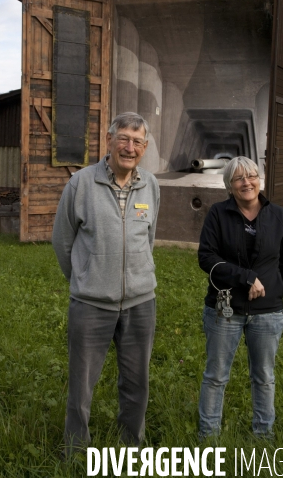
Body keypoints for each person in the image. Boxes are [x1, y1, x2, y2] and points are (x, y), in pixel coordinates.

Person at [52, 112, 160, 455]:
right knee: (81, 384)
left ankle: (131, 443)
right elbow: (62, 241)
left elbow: (149, 238)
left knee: (136, 381)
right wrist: (85, 278)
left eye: (137, 141)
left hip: (141, 302)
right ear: (109, 141)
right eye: (124, 139)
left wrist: (137, 278)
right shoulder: (81, 184)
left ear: (144, 148)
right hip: (91, 303)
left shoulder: (151, 185)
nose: (130, 147)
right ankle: (76, 449)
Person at [198, 156, 283, 438]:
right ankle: (208, 436)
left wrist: (275, 289)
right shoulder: (218, 214)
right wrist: (247, 278)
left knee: (264, 377)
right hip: (224, 307)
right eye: (239, 178)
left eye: (251, 176)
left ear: (259, 180)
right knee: (216, 376)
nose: (247, 182)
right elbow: (207, 257)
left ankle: (263, 436)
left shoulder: (278, 215)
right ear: (229, 184)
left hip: (267, 312)